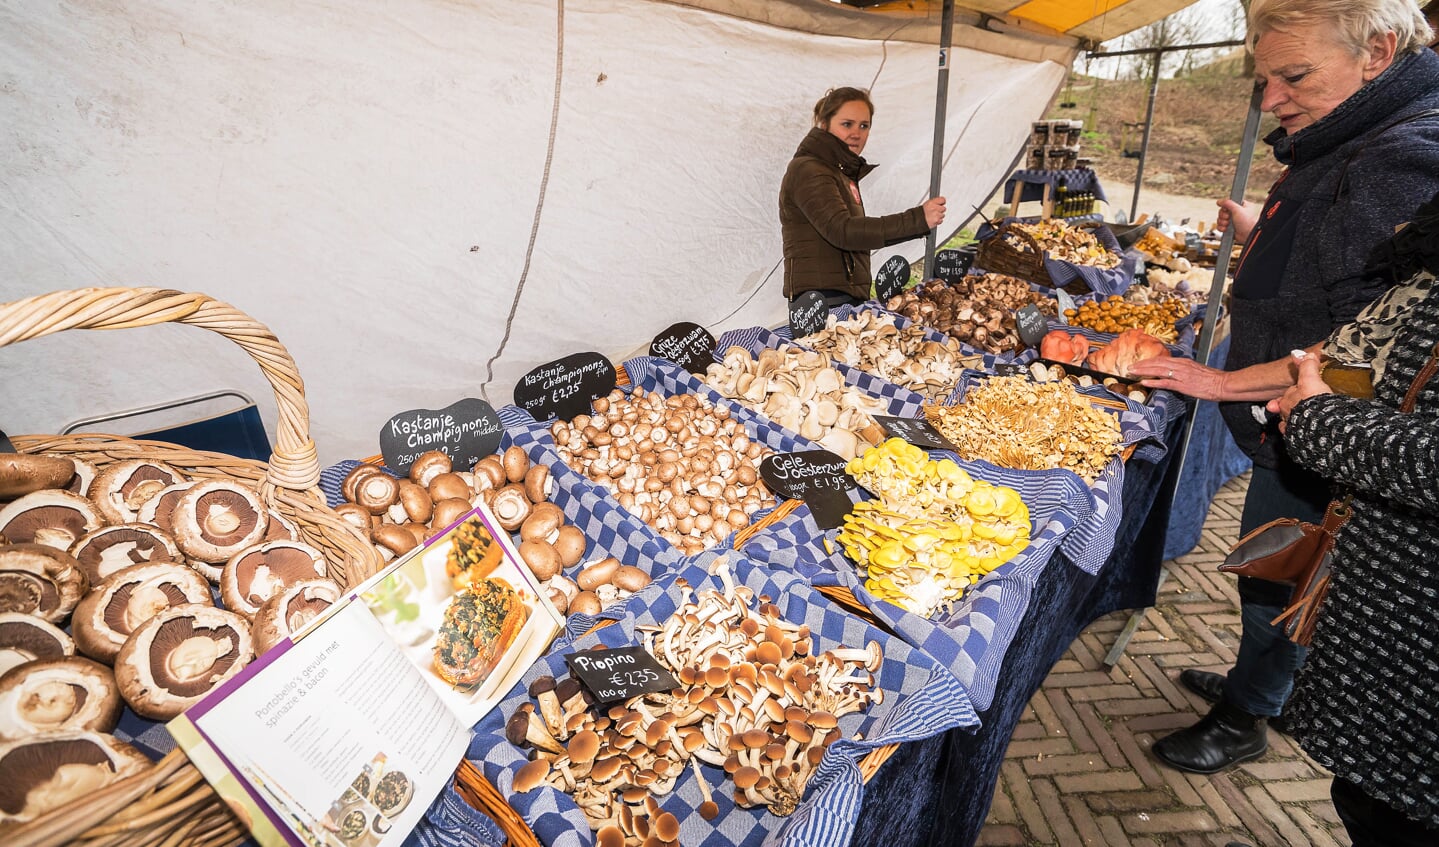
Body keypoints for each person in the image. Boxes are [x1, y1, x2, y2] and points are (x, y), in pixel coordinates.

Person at [1127, 0, 1439, 775]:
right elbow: (1338, 261)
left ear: (1378, 51)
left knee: (1283, 570)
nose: (1270, 99)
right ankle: (1256, 681)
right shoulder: (1349, 135)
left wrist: (1225, 378)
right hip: (1287, 416)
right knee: (1267, 565)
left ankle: (1246, 715)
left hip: (1319, 428)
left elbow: (1362, 345)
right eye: (1263, 78)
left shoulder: (1402, 157)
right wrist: (1257, 235)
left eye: (1292, 75)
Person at [1261, 192, 1439, 846]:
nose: (1273, 100)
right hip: (1399, 609)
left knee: (1393, 814)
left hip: (1419, 636)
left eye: (1293, 79)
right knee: (1369, 800)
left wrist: (1319, 419)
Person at [779, 87, 946, 309]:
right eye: (847, 124)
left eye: (864, 126)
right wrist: (917, 219)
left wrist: (918, 224)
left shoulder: (838, 171)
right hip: (822, 301)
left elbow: (856, 235)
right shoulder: (810, 170)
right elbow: (843, 231)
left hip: (841, 296)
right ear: (823, 123)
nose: (856, 133)